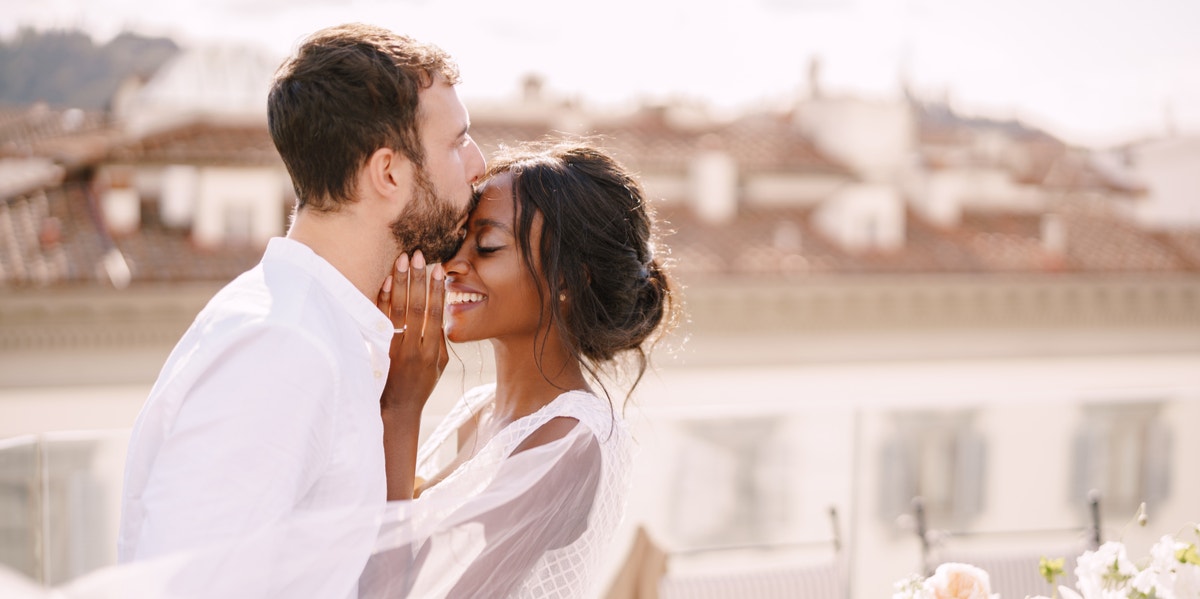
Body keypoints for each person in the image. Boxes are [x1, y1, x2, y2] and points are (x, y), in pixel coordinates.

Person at [117, 22, 484, 566]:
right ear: (388, 173)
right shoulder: (284, 347)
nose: (479, 164)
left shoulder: (314, 330)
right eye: (456, 143)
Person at [361, 140, 676, 598]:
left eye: (487, 246)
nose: (452, 264)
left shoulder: (571, 440)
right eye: (458, 240)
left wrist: (402, 409)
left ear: (569, 277)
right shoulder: (478, 411)